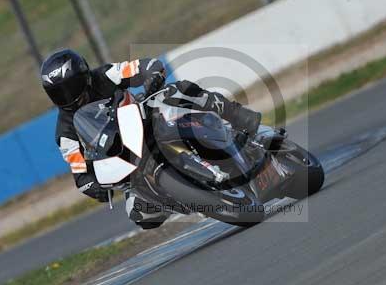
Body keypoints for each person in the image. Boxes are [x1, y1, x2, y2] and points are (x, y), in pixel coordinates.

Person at [40, 48, 261, 229]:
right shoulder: (64, 132)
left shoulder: (105, 75)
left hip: (147, 119)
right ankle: (183, 198)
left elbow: (143, 66)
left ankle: (238, 115)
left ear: (84, 76)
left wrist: (152, 75)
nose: (66, 97)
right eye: (58, 93)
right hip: (125, 157)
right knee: (138, 214)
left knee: (180, 89)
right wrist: (93, 186)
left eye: (70, 88)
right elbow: (80, 173)